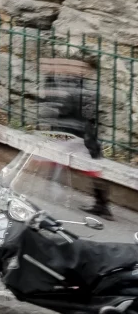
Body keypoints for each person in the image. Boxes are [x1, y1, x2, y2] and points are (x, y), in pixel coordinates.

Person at [42, 55, 111, 216]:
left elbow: (78, 112)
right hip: (77, 133)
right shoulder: (75, 84)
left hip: (80, 134)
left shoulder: (83, 89)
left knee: (93, 168)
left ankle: (102, 205)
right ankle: (101, 204)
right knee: (87, 166)